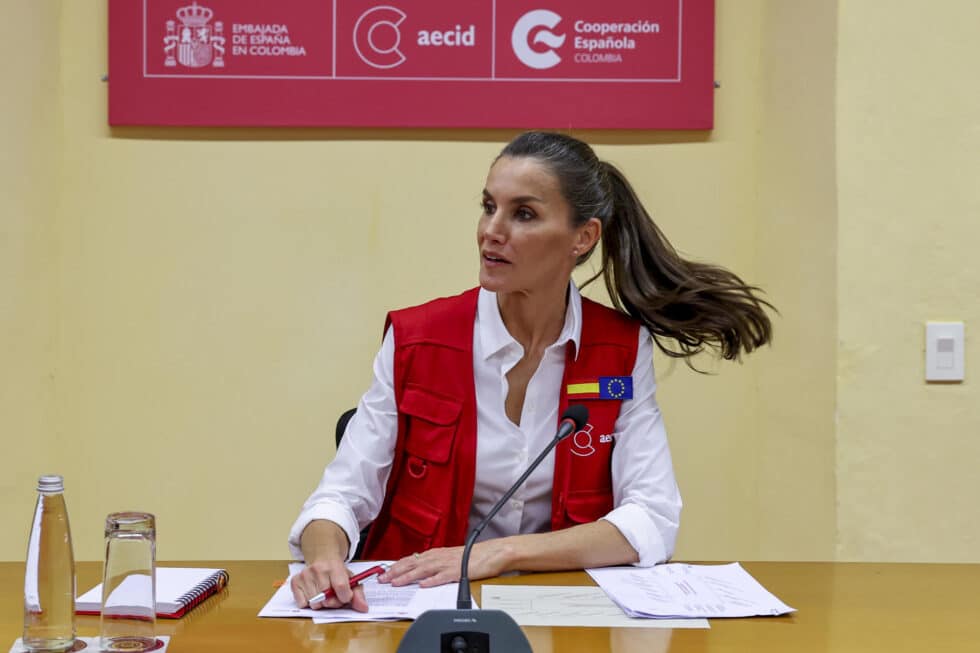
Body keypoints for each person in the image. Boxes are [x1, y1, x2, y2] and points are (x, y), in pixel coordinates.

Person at [288, 132, 774, 611]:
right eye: (487, 206)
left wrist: (498, 554)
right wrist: (326, 558)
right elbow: (341, 496)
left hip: (561, 611)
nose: (491, 231)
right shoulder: (417, 338)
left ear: (583, 238)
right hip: (421, 613)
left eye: (523, 214)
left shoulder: (621, 349)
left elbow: (652, 519)